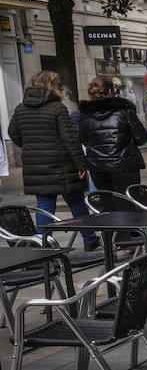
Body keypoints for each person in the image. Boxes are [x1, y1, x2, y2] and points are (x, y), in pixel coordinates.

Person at [7, 71, 98, 249]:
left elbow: (13, 133)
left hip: (36, 167)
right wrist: (81, 164)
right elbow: (70, 139)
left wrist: (30, 147)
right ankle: (90, 240)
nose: (62, 87)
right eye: (59, 84)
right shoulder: (57, 108)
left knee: (44, 206)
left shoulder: (20, 108)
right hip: (63, 165)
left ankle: (42, 243)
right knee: (76, 203)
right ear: (53, 86)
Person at [78, 76, 147, 194]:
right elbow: (141, 138)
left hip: (98, 168)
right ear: (110, 91)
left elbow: (83, 139)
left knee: (108, 207)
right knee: (128, 205)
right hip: (124, 166)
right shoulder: (125, 111)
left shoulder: (85, 115)